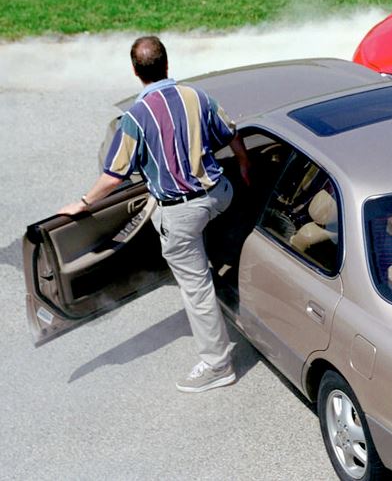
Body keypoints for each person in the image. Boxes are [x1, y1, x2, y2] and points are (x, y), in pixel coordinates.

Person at [59, 36, 251, 394]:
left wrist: (83, 203)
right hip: (219, 195)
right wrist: (242, 163)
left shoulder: (136, 117)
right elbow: (231, 132)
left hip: (183, 214)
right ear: (167, 64)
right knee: (210, 223)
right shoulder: (197, 97)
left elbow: (114, 177)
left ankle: (218, 365)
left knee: (196, 289)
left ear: (136, 71)